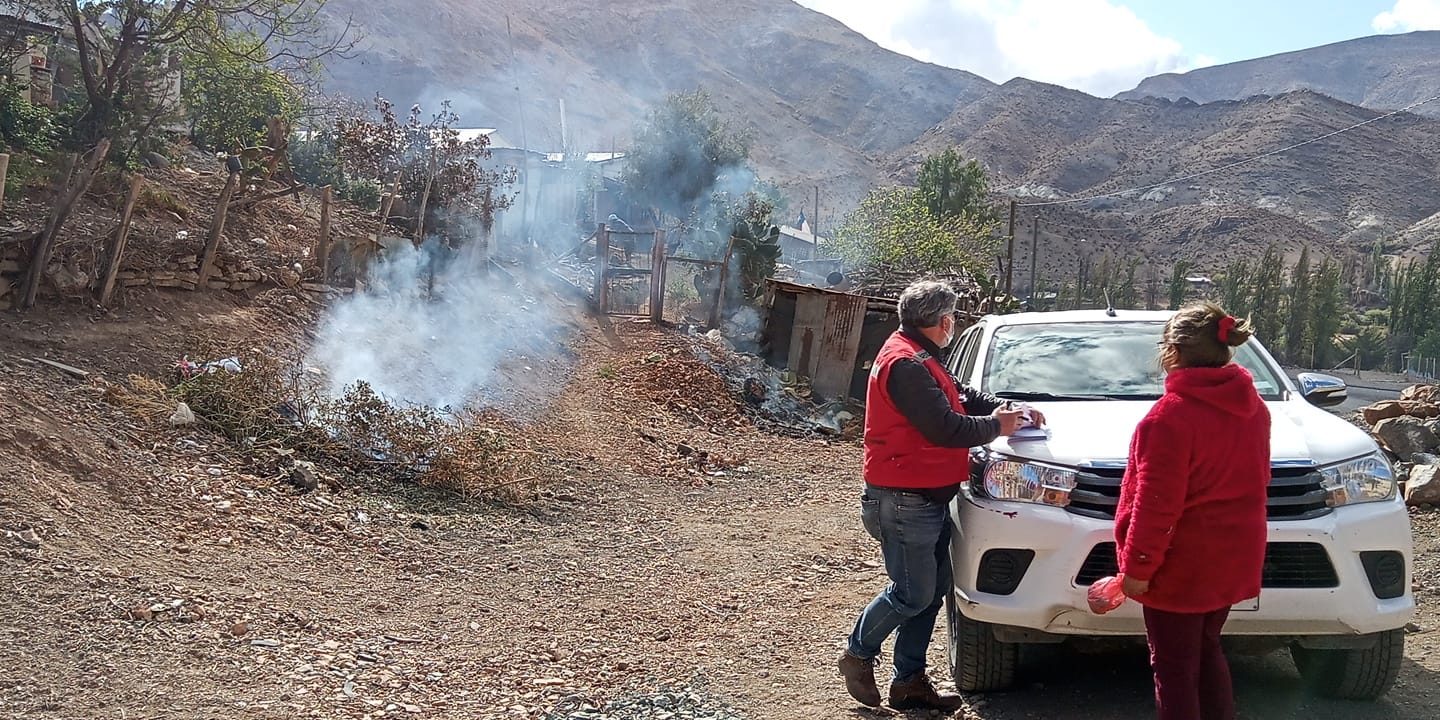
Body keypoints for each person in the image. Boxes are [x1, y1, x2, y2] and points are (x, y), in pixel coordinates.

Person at [839, 280, 1041, 711]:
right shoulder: (906, 362)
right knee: (913, 593)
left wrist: (1007, 409)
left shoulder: (918, 354)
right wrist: (999, 426)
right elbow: (946, 427)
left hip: (921, 495)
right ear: (944, 321)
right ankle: (857, 654)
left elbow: (962, 397)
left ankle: (909, 682)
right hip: (903, 496)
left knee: (931, 592)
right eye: (952, 319)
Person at [1116, 302, 1270, 720]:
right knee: (1206, 649)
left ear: (1171, 352)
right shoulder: (1253, 408)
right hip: (1231, 557)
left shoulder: (1168, 419)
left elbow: (1155, 506)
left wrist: (1139, 567)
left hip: (1182, 565)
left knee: (1174, 669)